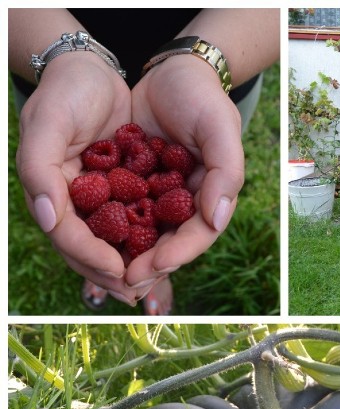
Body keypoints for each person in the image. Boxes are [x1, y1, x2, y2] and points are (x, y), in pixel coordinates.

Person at [9, 9, 280, 314]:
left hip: (213, 75)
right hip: (52, 70)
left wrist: (201, 66)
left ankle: (149, 271)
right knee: (97, 243)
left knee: (207, 161)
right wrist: (64, 61)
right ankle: (109, 256)